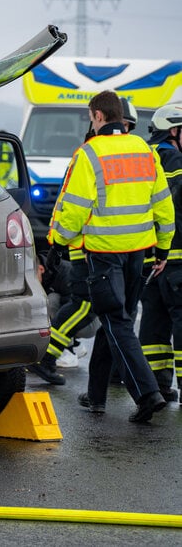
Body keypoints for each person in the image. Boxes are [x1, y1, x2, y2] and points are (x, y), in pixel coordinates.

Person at [48, 90, 174, 423]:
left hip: (104, 254)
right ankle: (97, 396)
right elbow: (163, 204)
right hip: (140, 254)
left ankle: (148, 395)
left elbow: (74, 210)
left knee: (116, 322)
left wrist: (57, 242)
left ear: (98, 115)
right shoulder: (145, 150)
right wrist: (162, 248)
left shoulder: (90, 154)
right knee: (115, 321)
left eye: (91, 117)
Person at [138, 102, 182, 404]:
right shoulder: (176, 159)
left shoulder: (140, 158)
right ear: (175, 130)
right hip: (176, 255)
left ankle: (158, 385)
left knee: (154, 322)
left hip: (146, 257)